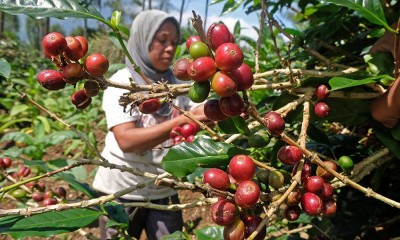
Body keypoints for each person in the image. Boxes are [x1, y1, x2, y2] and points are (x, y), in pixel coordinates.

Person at [92, 10, 211, 239]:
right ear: (142, 38)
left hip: (164, 187)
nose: (169, 48)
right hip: (122, 190)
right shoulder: (123, 82)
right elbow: (127, 141)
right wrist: (183, 119)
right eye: (162, 40)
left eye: (174, 42)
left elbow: (205, 109)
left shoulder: (179, 83)